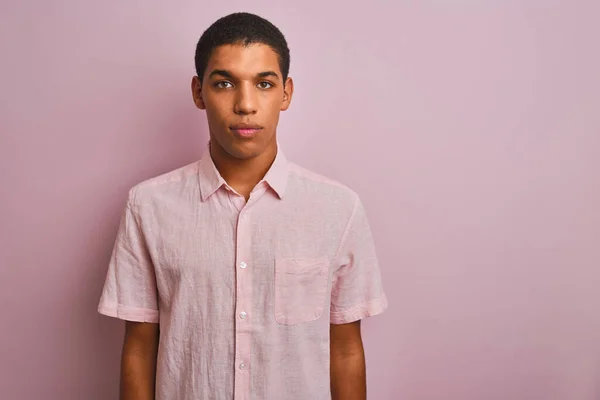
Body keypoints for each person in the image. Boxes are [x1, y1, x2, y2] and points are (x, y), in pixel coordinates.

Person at [98, 11, 387, 400]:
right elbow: (139, 346)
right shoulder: (148, 206)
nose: (245, 104)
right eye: (225, 83)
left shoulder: (338, 208)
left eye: (264, 83)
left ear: (286, 93)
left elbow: (346, 348)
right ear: (199, 92)